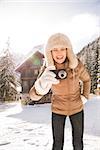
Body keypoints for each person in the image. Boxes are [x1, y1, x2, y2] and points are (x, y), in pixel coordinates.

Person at [29, 33, 91, 150]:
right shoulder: (48, 68)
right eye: (55, 49)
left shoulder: (76, 64)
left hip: (77, 109)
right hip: (58, 110)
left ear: (68, 50)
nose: (59, 53)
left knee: (78, 144)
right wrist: (40, 87)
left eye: (62, 48)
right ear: (49, 52)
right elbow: (33, 95)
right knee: (57, 144)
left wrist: (85, 96)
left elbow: (87, 79)